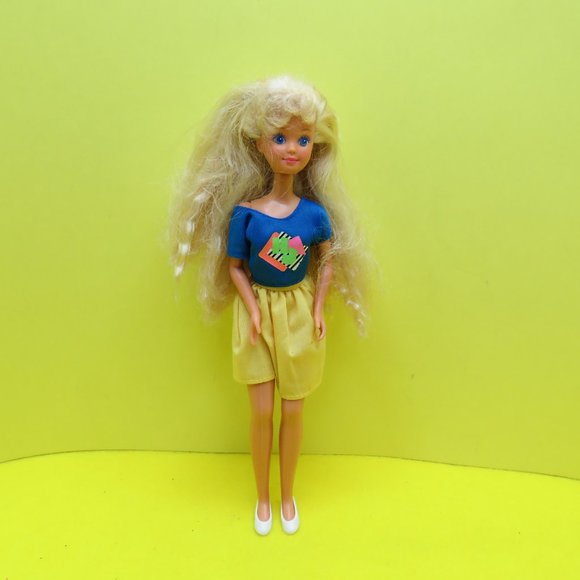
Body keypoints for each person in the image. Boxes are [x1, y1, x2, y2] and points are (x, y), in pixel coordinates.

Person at [170, 75, 369, 535]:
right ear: (260, 144)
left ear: (315, 145)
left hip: (299, 311)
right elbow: (235, 267)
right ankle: (263, 497)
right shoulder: (246, 214)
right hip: (256, 314)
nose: (291, 149)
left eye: (302, 139)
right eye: (280, 138)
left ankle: (287, 495)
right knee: (261, 411)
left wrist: (317, 308)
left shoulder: (314, 215)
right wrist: (253, 308)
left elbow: (327, 262)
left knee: (294, 410)